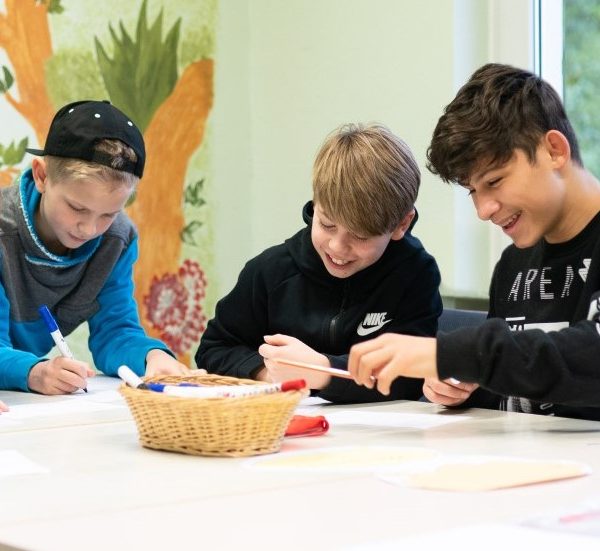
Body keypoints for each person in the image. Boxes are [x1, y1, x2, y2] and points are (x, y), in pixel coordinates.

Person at [348, 63, 600, 419]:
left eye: (494, 181)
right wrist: (463, 386)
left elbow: (589, 354)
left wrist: (450, 354)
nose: (483, 210)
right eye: (472, 191)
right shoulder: (514, 265)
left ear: (554, 151)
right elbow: (517, 380)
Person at [196, 123, 442, 403]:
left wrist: (324, 373)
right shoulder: (270, 271)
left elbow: (411, 377)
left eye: (360, 236)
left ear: (401, 224)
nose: (337, 247)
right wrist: (267, 373)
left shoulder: (415, 274)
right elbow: (213, 349)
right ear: (315, 204)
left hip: (377, 435)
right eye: (326, 224)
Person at [0, 100, 190, 395]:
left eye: (108, 214)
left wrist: (152, 356)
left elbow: (115, 332)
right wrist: (34, 372)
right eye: (77, 207)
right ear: (42, 175)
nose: (89, 229)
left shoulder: (116, 239)